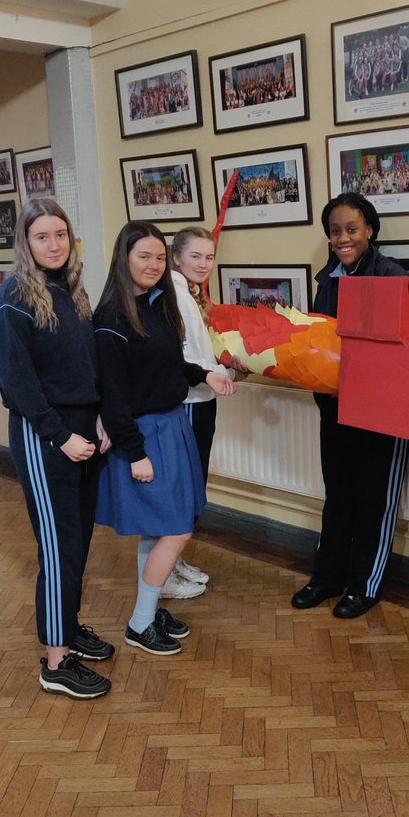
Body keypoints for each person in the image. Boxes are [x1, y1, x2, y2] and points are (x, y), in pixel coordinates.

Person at [94, 221, 236, 656]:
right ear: (124, 259)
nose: (153, 265)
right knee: (175, 528)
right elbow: (112, 396)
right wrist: (135, 453)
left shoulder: (158, 305)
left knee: (160, 531)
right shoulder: (111, 319)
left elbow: (174, 365)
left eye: (159, 257)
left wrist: (206, 373)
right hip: (143, 435)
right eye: (144, 257)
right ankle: (140, 623)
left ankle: (149, 611)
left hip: (173, 424)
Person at [0, 198, 114, 699]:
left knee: (78, 538)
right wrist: (60, 435)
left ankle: (68, 624)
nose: (54, 244)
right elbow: (17, 386)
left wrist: (101, 417)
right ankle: (56, 660)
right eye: (42, 236)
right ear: (26, 241)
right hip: (46, 436)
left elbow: (87, 364)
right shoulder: (10, 299)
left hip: (85, 426)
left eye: (60, 234)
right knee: (58, 544)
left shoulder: (71, 290)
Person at [291, 193, 409, 619]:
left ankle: (364, 585)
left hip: (381, 414)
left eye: (352, 229)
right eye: (335, 230)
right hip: (335, 409)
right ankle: (327, 578)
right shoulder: (327, 279)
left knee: (371, 499)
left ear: (370, 231)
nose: (343, 238)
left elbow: (402, 352)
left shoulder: (392, 277)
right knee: (337, 495)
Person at [161, 225, 245, 601]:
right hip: (189, 405)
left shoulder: (190, 294)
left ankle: (172, 562)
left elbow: (201, 355)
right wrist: (219, 374)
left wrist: (229, 371)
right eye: (195, 256)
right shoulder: (175, 296)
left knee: (191, 488)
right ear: (176, 256)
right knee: (184, 492)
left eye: (209, 257)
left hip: (202, 402)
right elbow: (183, 360)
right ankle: (162, 574)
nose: (204, 263)